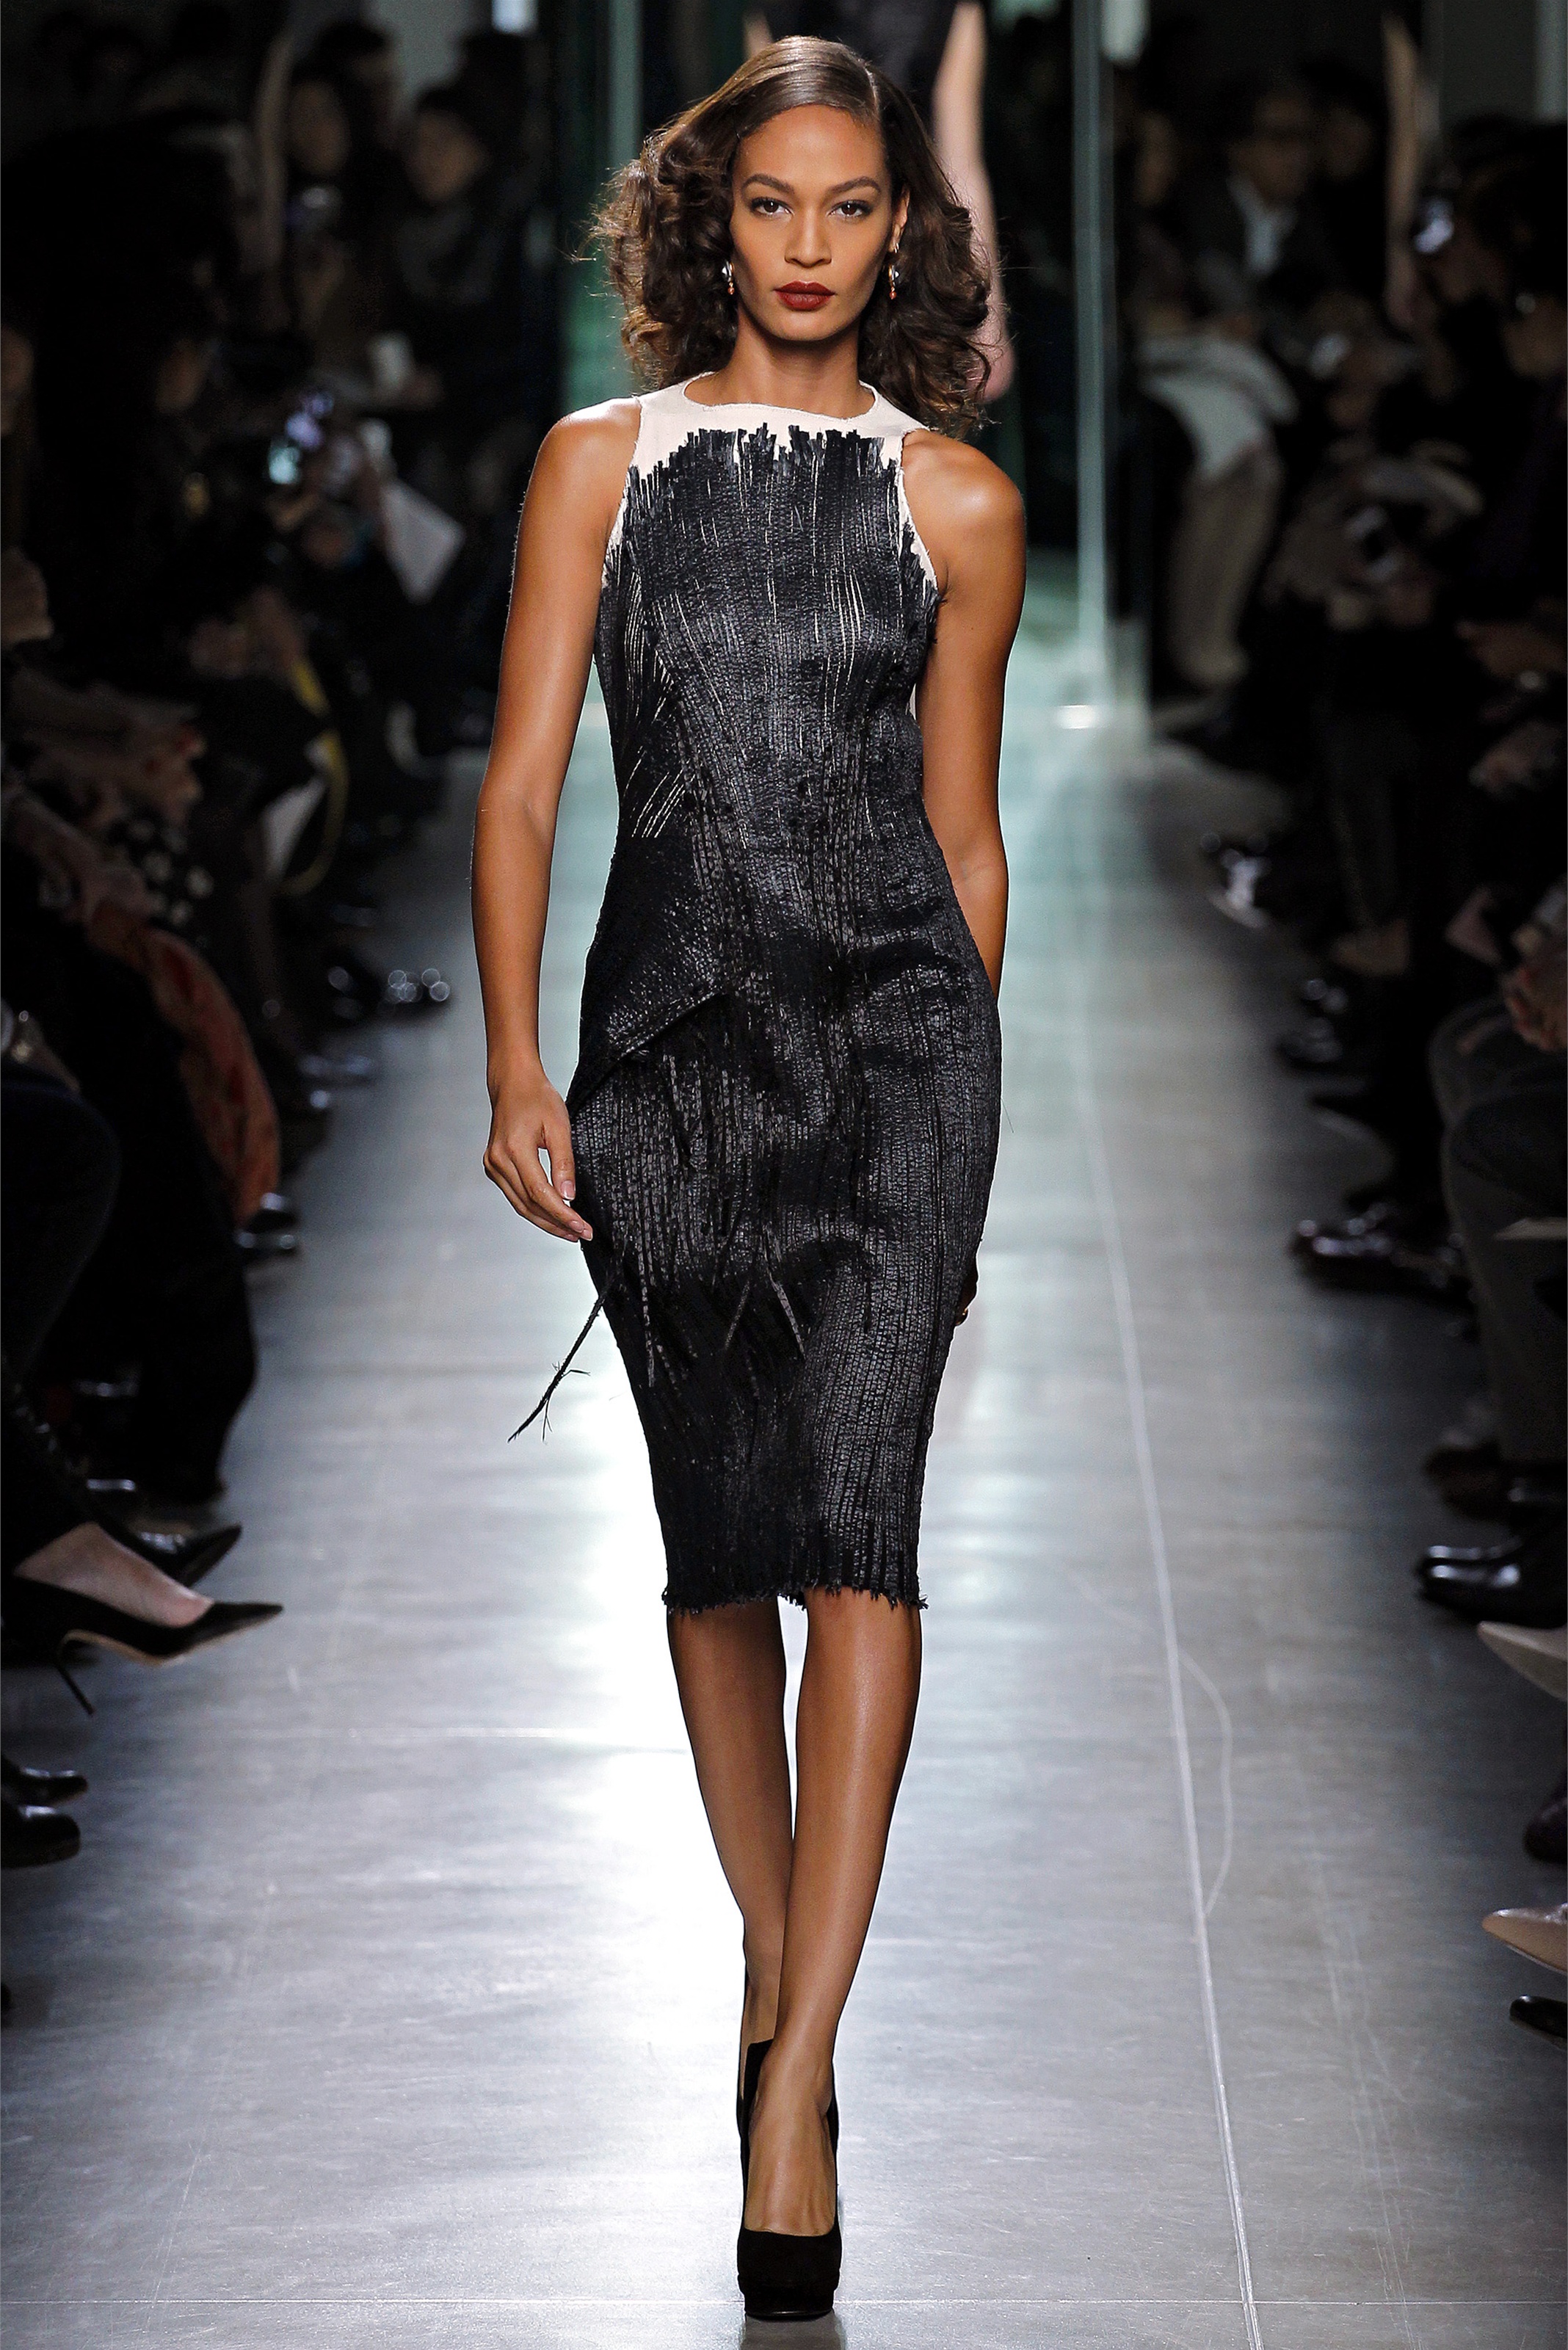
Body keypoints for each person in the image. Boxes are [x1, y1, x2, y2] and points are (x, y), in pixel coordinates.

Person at [471, 36, 1023, 2323]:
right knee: (721, 1562)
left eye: (853, 206)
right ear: (720, 222)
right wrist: (517, 1060)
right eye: (774, 203)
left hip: (898, 1062)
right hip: (670, 1064)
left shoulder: (958, 501)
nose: (811, 246)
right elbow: (523, 783)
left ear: (901, 230)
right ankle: (775, 1965)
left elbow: (967, 831)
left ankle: (794, 2078)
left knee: (860, 1540)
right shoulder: (596, 468)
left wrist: (958, 1115)